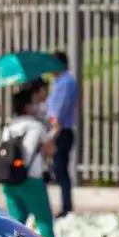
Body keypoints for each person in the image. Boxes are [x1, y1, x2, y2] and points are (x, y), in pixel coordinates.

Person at [0, 81, 57, 237]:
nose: (37, 106)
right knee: (44, 219)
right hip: (31, 179)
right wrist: (54, 131)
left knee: (17, 221)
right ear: (28, 107)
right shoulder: (36, 126)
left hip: (10, 179)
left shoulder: (9, 127)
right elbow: (51, 149)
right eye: (35, 103)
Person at [43, 50, 79, 217]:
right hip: (56, 130)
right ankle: (63, 205)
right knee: (56, 169)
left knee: (60, 169)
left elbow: (59, 108)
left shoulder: (66, 82)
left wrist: (53, 126)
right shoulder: (59, 82)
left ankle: (66, 207)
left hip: (60, 131)